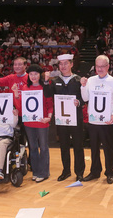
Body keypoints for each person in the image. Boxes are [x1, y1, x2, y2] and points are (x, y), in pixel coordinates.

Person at [43, 54, 86, 182]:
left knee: (78, 145)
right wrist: (46, 81)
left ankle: (79, 172)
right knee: (64, 145)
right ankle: (66, 170)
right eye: (61, 64)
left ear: (72, 64)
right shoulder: (55, 81)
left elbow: (84, 98)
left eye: (66, 63)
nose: (63, 66)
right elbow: (47, 94)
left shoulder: (78, 80)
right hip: (61, 119)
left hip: (76, 118)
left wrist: (79, 102)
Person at [80, 55, 113, 184]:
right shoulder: (90, 80)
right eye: (98, 66)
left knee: (108, 148)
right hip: (93, 121)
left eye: (103, 66)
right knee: (94, 148)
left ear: (108, 66)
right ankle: (95, 171)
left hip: (108, 121)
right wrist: (83, 86)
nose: (100, 69)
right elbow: (85, 98)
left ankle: (109, 172)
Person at [12, 64, 53, 183]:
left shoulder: (44, 86)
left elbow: (50, 104)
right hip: (29, 122)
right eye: (31, 74)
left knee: (44, 147)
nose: (33, 76)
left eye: (35, 74)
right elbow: (20, 107)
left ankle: (44, 173)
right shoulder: (25, 88)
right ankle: (35, 171)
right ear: (28, 75)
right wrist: (15, 93)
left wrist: (49, 118)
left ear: (39, 75)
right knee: (33, 147)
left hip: (42, 122)